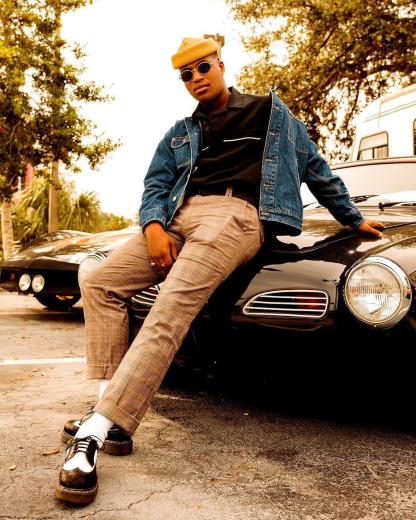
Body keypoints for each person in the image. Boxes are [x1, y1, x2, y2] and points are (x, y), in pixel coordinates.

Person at [55, 36, 384, 505]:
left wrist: (352, 218)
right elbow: (156, 184)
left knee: (169, 308)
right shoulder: (180, 131)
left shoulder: (270, 114)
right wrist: (153, 226)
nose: (196, 79)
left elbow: (315, 167)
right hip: (178, 216)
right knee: (100, 281)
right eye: (186, 74)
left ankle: (92, 436)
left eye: (203, 67)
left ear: (221, 65)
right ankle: (109, 415)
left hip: (236, 216)